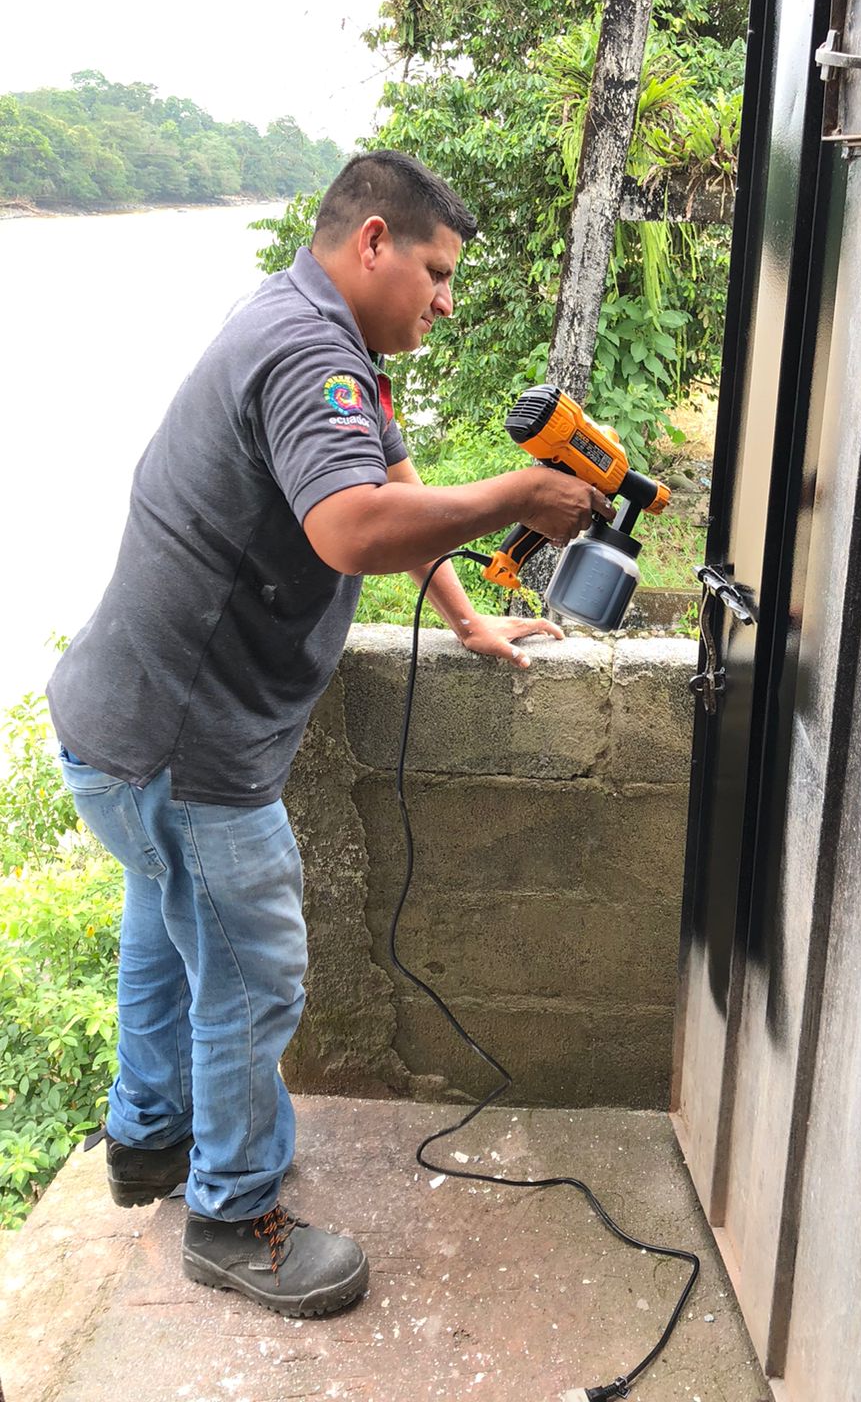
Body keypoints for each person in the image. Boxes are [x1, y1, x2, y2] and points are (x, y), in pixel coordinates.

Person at [47, 151, 611, 1319]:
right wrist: (518, 494)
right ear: (373, 243)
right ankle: (233, 1216)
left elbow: (388, 475)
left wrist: (463, 614)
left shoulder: (302, 319)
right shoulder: (312, 353)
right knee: (252, 975)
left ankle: (150, 1142)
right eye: (436, 274)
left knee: (165, 925)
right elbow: (353, 525)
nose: (445, 301)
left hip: (119, 729)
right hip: (184, 749)